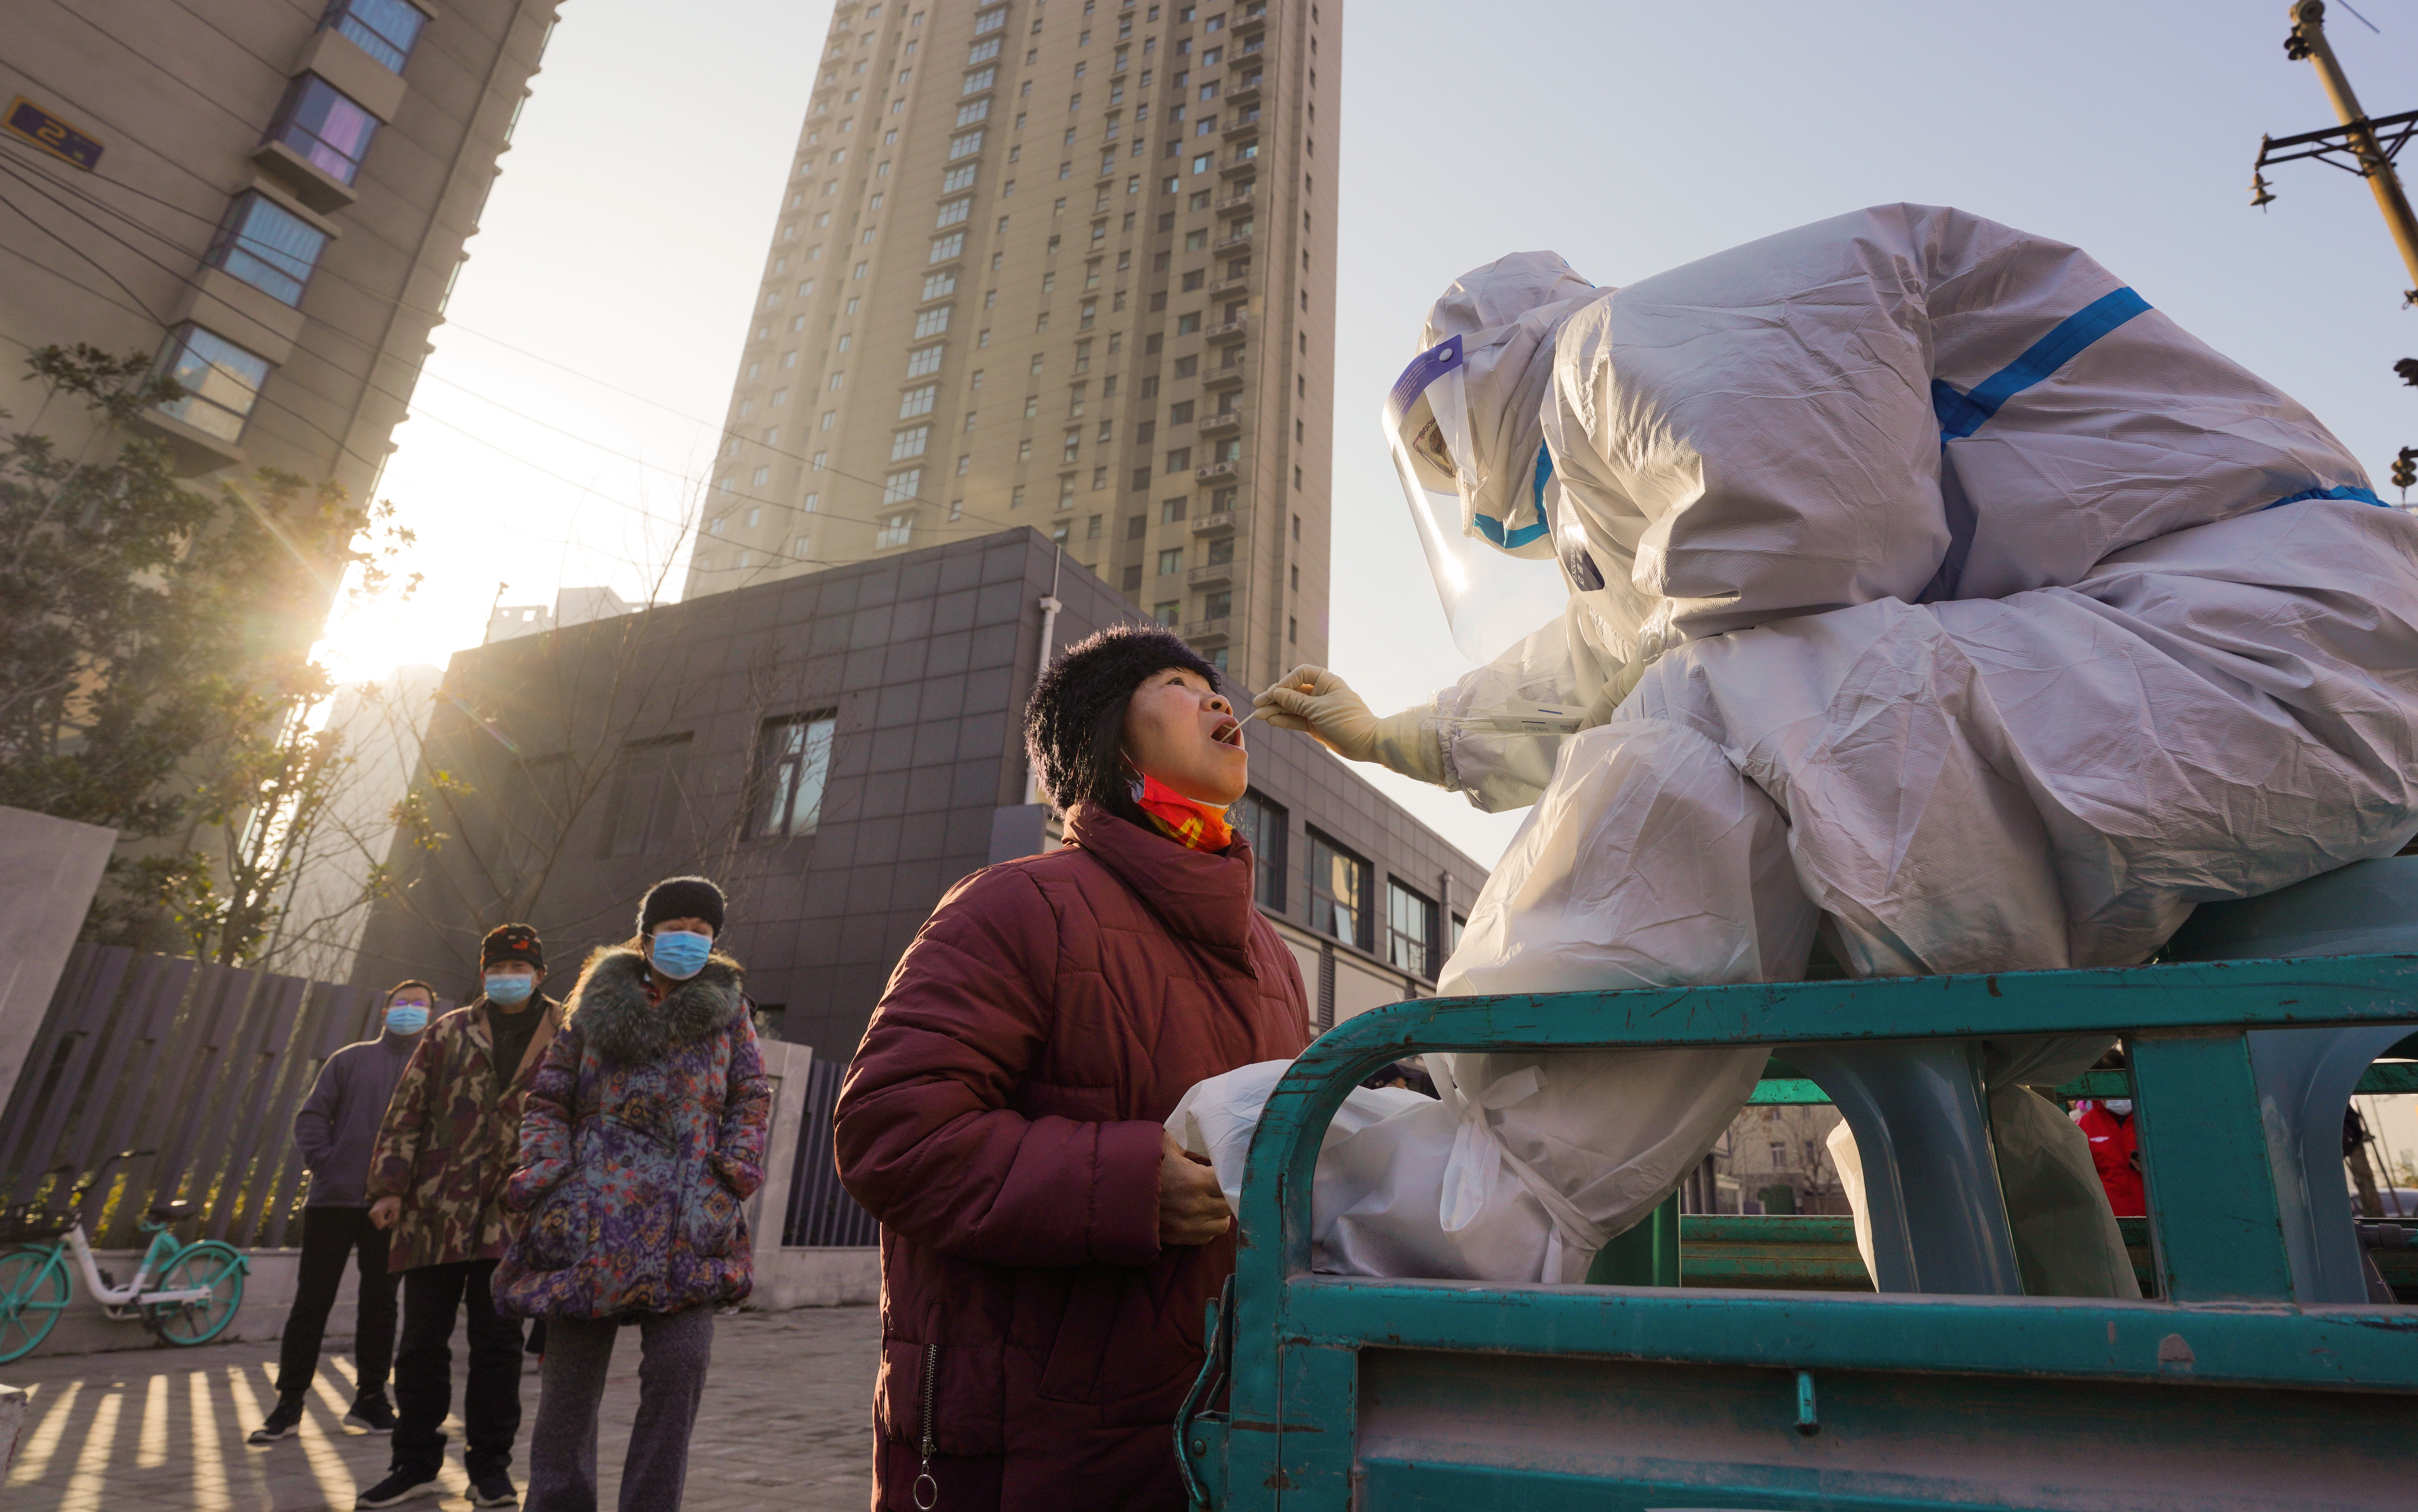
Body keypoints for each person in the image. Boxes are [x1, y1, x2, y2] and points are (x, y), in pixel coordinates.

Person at [1254, 205, 2418, 1287]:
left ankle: (1456, 1215)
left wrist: (1633, 711)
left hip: (2256, 647)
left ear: (1481, 378)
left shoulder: (1625, 349)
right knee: (1932, 1049)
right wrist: (1401, 734)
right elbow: (1620, 643)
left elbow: (1783, 571)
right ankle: (2067, 1385)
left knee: (1712, 726)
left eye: (1441, 445)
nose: (1458, 483)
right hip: (2254, 661)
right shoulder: (1648, 418)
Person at [834, 623, 1310, 1511]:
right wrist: (1127, 1183)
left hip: (1216, 1435)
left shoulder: (1272, 957)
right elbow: (888, 1131)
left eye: (1215, 686)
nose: (1216, 698)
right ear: (1107, 735)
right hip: (1031, 1455)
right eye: (1175, 683)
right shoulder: (1018, 905)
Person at [498, 876, 772, 1512]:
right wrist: (550, 1174)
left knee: (678, 1380)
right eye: (677, 928)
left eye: (702, 933)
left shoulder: (731, 1012)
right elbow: (548, 1098)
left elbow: (751, 1098)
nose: (689, 940)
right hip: (587, 1219)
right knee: (568, 1395)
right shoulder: (591, 1005)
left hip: (689, 1223)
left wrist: (731, 1175)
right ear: (647, 936)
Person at [358, 924, 563, 1509]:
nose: (507, 976)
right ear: (483, 973)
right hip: (435, 1210)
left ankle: (490, 1469)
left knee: (498, 1344)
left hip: (514, 1216)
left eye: (518, 967)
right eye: (496, 966)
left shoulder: (568, 1036)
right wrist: (388, 1187)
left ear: (540, 974)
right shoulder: (450, 1031)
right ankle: (415, 1462)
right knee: (421, 1342)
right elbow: (407, 1109)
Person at [246, 980, 430, 1446]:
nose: (409, 1011)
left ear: (433, 1014)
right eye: (401, 1002)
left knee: (381, 1304)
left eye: (420, 1005)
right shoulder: (349, 1060)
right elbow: (312, 1117)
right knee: (312, 1304)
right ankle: (288, 1404)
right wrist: (327, 1164)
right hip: (333, 1200)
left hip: (391, 1207)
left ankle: (370, 1401)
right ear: (385, 1008)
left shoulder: (434, 1068)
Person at [2072, 1099, 2145, 1218]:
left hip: (2158, 1221)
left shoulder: (2154, 1122)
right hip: (2113, 1222)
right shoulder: (2081, 1129)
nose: (2120, 1100)